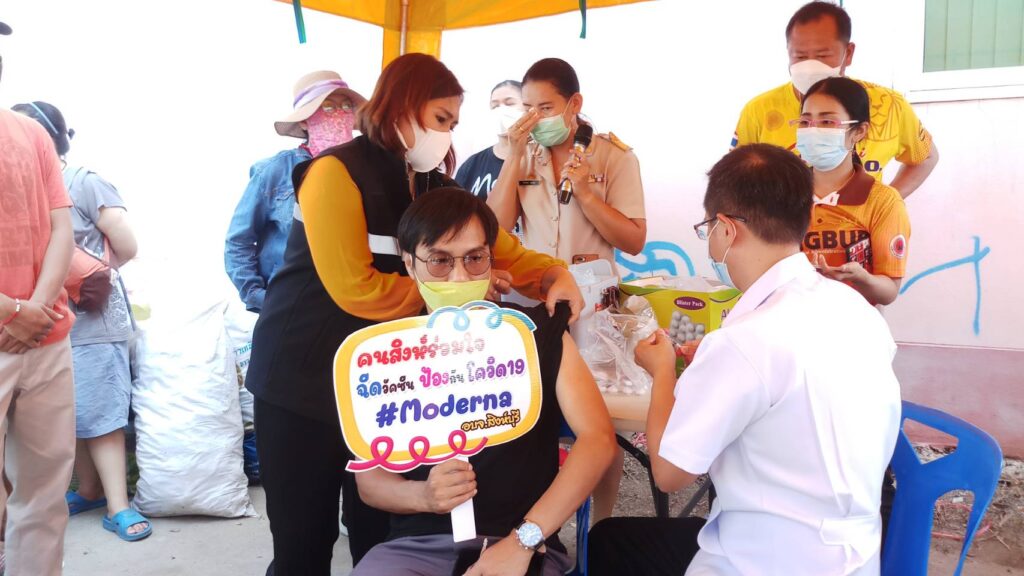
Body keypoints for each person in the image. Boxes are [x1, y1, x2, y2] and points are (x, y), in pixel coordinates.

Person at [244, 52, 584, 576]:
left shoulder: (431, 186)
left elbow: (497, 249)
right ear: (402, 106)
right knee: (302, 542)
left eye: (452, 125)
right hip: (303, 381)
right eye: (440, 119)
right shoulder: (334, 173)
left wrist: (552, 273)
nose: (446, 135)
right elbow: (356, 290)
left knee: (375, 532)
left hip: (385, 384)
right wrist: (455, 292)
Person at [588, 144, 902, 576]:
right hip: (855, 554)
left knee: (607, 542)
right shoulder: (856, 311)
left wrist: (662, 372)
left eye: (708, 230)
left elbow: (669, 473)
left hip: (761, 561)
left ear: (726, 229)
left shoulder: (744, 342)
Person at [351, 187, 616, 576]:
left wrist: (524, 540)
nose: (459, 276)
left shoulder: (535, 335)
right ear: (409, 263)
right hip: (414, 549)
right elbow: (370, 482)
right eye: (439, 261)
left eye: (475, 258)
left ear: (492, 258)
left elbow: (598, 440)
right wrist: (423, 496)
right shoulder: (385, 355)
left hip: (526, 545)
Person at [13, 101, 149, 542]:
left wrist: (86, 278)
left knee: (103, 412)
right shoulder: (22, 189)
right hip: (47, 323)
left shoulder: (83, 181)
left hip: (93, 321)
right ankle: (89, 490)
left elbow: (126, 244)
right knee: (72, 413)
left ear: (49, 138)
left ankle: (119, 505)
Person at [225, 71, 365, 485]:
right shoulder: (276, 172)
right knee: (300, 446)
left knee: (351, 432)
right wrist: (262, 298)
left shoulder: (366, 169)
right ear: (305, 119)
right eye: (327, 106)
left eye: (345, 105)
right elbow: (238, 242)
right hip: (293, 327)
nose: (338, 113)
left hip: (353, 322)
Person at [0, 20, 78, 575]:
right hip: (33, 327)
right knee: (39, 496)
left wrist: (36, 311)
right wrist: (17, 311)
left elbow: (61, 229)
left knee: (45, 496)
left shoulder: (29, 133)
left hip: (44, 335)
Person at [732, 1, 939, 199]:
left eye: (822, 56)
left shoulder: (888, 106)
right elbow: (735, 179)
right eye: (800, 56)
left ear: (848, 53)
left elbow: (926, 157)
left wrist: (886, 204)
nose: (810, 66)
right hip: (786, 224)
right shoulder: (759, 110)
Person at [488, 57, 647, 268]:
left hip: (591, 286)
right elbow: (495, 231)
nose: (536, 119)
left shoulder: (616, 156)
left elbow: (634, 243)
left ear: (575, 104)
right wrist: (514, 156)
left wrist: (586, 196)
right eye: (528, 110)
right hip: (536, 284)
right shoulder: (523, 155)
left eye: (545, 108)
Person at [796, 77, 910, 306]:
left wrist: (861, 278)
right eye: (806, 122)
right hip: (793, 318)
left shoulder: (883, 201)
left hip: (857, 321)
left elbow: (888, 292)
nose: (813, 131)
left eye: (827, 121)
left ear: (859, 131)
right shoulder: (783, 194)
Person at [455, 80, 525, 201]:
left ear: (527, 107)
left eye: (509, 103)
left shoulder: (540, 159)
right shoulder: (473, 164)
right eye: (495, 106)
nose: (501, 110)